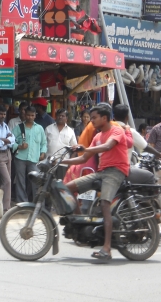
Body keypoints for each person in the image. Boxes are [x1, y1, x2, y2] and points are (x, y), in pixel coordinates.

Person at [62, 104, 130, 261]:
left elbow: (107, 146)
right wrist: (59, 161)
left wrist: (84, 149)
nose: (91, 121)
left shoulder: (116, 131)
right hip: (102, 172)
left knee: (105, 204)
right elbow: (83, 158)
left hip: (116, 171)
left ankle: (107, 248)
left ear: (104, 118)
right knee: (67, 188)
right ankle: (80, 225)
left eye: (94, 118)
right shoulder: (97, 137)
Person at [12, 106, 47, 203]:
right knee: (20, 181)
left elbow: (44, 143)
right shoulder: (19, 128)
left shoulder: (39, 128)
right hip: (20, 158)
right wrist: (19, 146)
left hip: (34, 159)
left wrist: (43, 153)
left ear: (35, 115)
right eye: (28, 115)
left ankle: (37, 203)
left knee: (36, 181)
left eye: (32, 115)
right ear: (25, 114)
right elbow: (10, 141)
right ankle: (22, 203)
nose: (30, 117)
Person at [45, 108, 77, 179]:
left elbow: (74, 149)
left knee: (59, 185)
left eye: (63, 116)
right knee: (47, 184)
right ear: (56, 117)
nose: (60, 117)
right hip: (48, 162)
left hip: (63, 163)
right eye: (59, 115)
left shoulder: (70, 131)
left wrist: (70, 163)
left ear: (66, 118)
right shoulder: (48, 129)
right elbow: (43, 145)